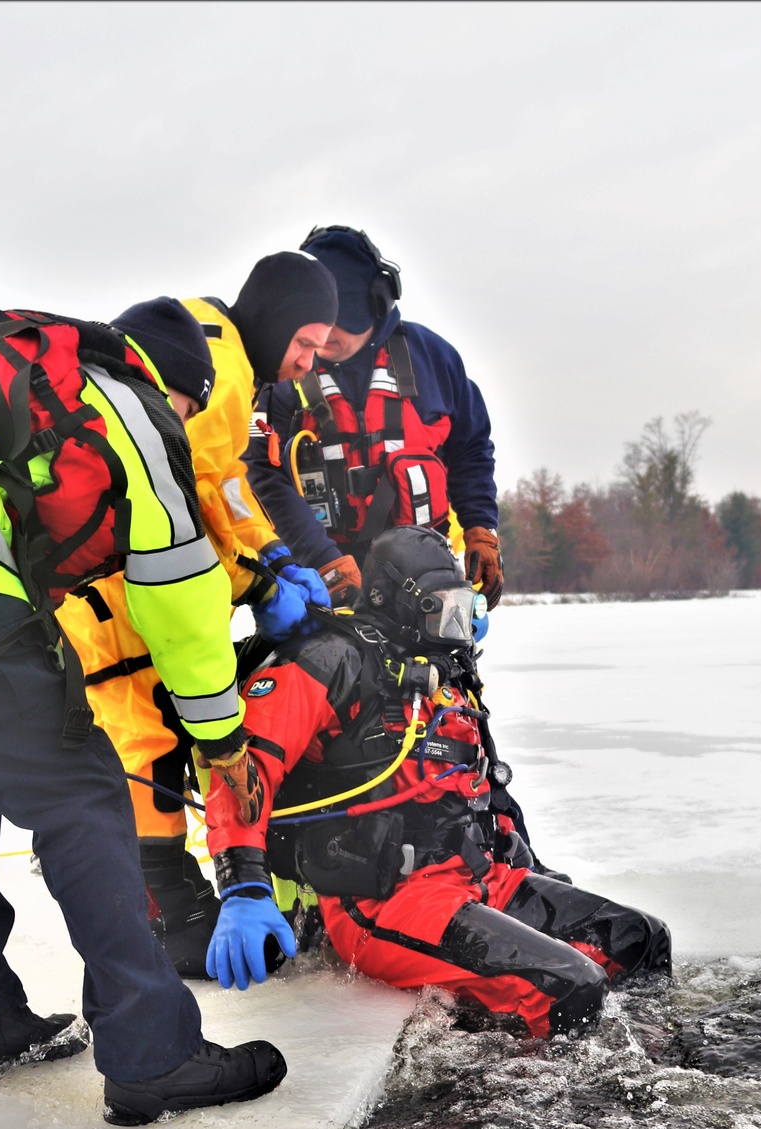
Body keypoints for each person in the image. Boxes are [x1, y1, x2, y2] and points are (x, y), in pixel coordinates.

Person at [0, 296, 286, 1125]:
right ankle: (154, 1054)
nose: (187, 423)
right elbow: (181, 594)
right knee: (79, 790)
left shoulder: (5, 366)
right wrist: (221, 739)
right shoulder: (133, 409)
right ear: (178, 387)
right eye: (193, 407)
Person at [201, 527, 671, 1039]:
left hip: (477, 877)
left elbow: (483, 777)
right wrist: (242, 885)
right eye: (442, 608)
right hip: (385, 899)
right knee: (567, 985)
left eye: (463, 609)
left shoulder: (445, 672)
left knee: (638, 937)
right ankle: (548, 1096)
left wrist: (525, 860)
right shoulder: (328, 662)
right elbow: (242, 775)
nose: (456, 625)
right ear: (399, 602)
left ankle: (646, 1054)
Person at [57, 253, 340, 975]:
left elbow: (226, 482)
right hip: (120, 587)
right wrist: (254, 581)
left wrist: (273, 554)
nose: (307, 362)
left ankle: (166, 882)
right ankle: (161, 899)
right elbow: (177, 492)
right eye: (306, 342)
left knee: (162, 722)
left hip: (134, 580)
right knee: (144, 729)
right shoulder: (218, 356)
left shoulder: (230, 358)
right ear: (276, 316)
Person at [246, 226, 504, 612]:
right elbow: (262, 474)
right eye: (317, 320)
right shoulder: (283, 371)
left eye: (340, 318)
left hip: (428, 581)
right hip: (320, 582)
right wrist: (323, 560)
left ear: (376, 303)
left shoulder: (435, 358)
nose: (325, 336)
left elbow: (472, 449)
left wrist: (481, 528)